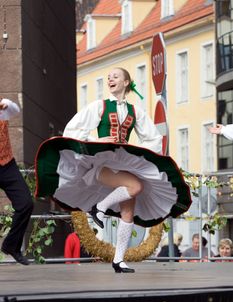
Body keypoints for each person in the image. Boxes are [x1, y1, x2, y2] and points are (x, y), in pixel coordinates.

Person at [35, 67, 192, 273]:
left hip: (123, 162)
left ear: (126, 82)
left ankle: (119, 260)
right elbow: (72, 130)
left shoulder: (135, 111)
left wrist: (146, 159)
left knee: (128, 210)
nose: (111, 79)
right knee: (135, 186)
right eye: (109, 78)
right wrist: (96, 140)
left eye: (115, 77)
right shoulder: (99, 106)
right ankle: (99, 207)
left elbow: (153, 138)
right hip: (102, 162)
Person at [0, 98, 33, 265]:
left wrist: (7, 103)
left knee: (26, 203)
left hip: (6, 164)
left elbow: (15, 110)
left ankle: (11, 246)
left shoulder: (2, 107)